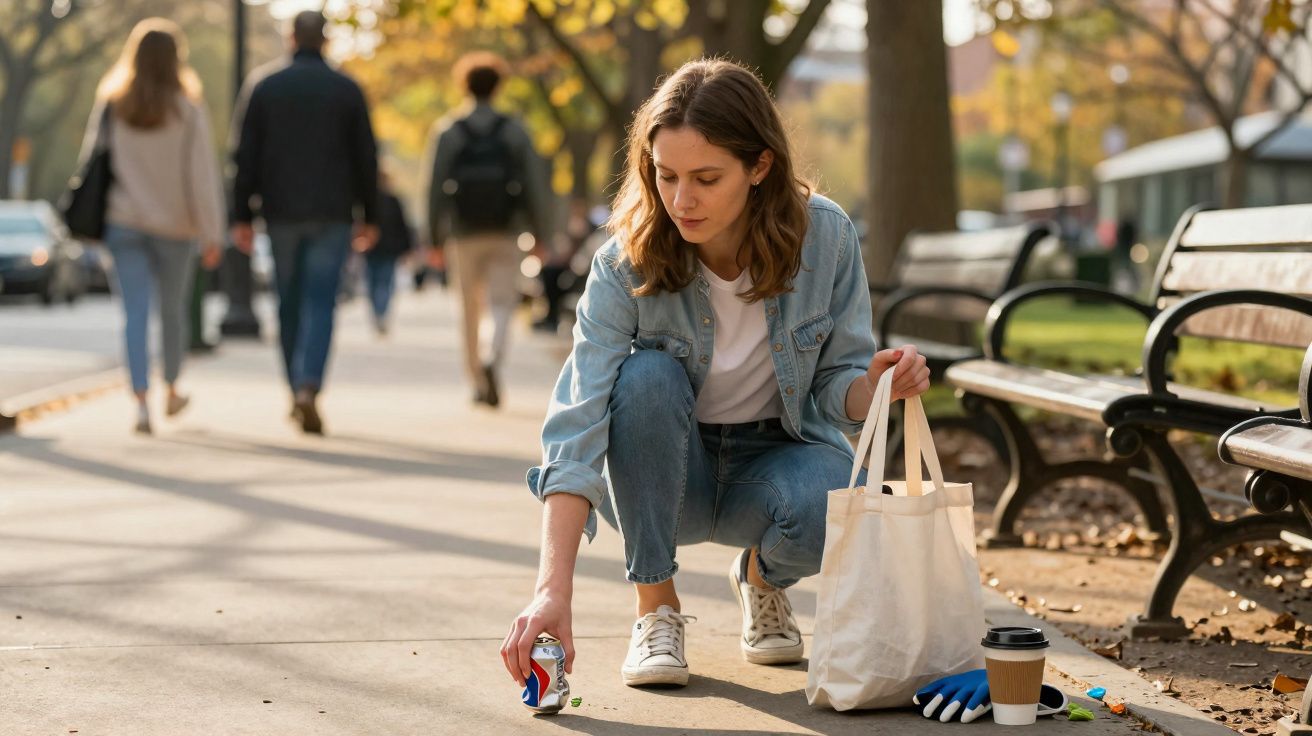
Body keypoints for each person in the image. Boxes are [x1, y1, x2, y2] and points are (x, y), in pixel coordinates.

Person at [500, 59, 929, 690]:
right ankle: (655, 607)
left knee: (842, 500)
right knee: (646, 376)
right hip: (665, 478)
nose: (681, 200)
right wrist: (550, 591)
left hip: (777, 462)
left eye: (706, 178)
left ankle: (761, 579)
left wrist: (877, 385)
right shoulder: (624, 261)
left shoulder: (825, 237)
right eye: (666, 175)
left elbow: (837, 385)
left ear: (760, 167)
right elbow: (577, 421)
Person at [229, 10, 379, 435]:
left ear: (291, 38)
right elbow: (366, 157)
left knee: (288, 301)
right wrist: (370, 215)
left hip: (280, 212)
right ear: (325, 40)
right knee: (321, 301)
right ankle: (310, 383)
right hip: (333, 213)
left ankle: (295, 385)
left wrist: (241, 215)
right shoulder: (346, 89)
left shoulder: (265, 86)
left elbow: (244, 156)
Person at [78, 18, 225, 435]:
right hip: (176, 227)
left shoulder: (114, 105)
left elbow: (93, 163)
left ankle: (141, 402)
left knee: (135, 313)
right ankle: (172, 388)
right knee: (173, 312)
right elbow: (202, 176)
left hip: (123, 222)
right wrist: (212, 232)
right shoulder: (187, 110)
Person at [425, 51, 551, 408]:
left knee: (469, 308)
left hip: (463, 233)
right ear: (498, 86)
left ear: (464, 85)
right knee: (501, 303)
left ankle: (478, 379)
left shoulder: (449, 130)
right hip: (506, 230)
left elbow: (434, 188)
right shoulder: (514, 130)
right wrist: (540, 233)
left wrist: (434, 238)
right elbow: (535, 184)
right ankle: (493, 357)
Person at [364, 171, 415, 336]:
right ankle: (381, 312)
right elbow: (403, 226)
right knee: (384, 282)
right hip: (384, 249)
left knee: (375, 282)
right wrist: (407, 248)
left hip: (374, 249)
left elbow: (403, 226)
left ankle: (379, 312)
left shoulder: (370, 200)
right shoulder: (390, 201)